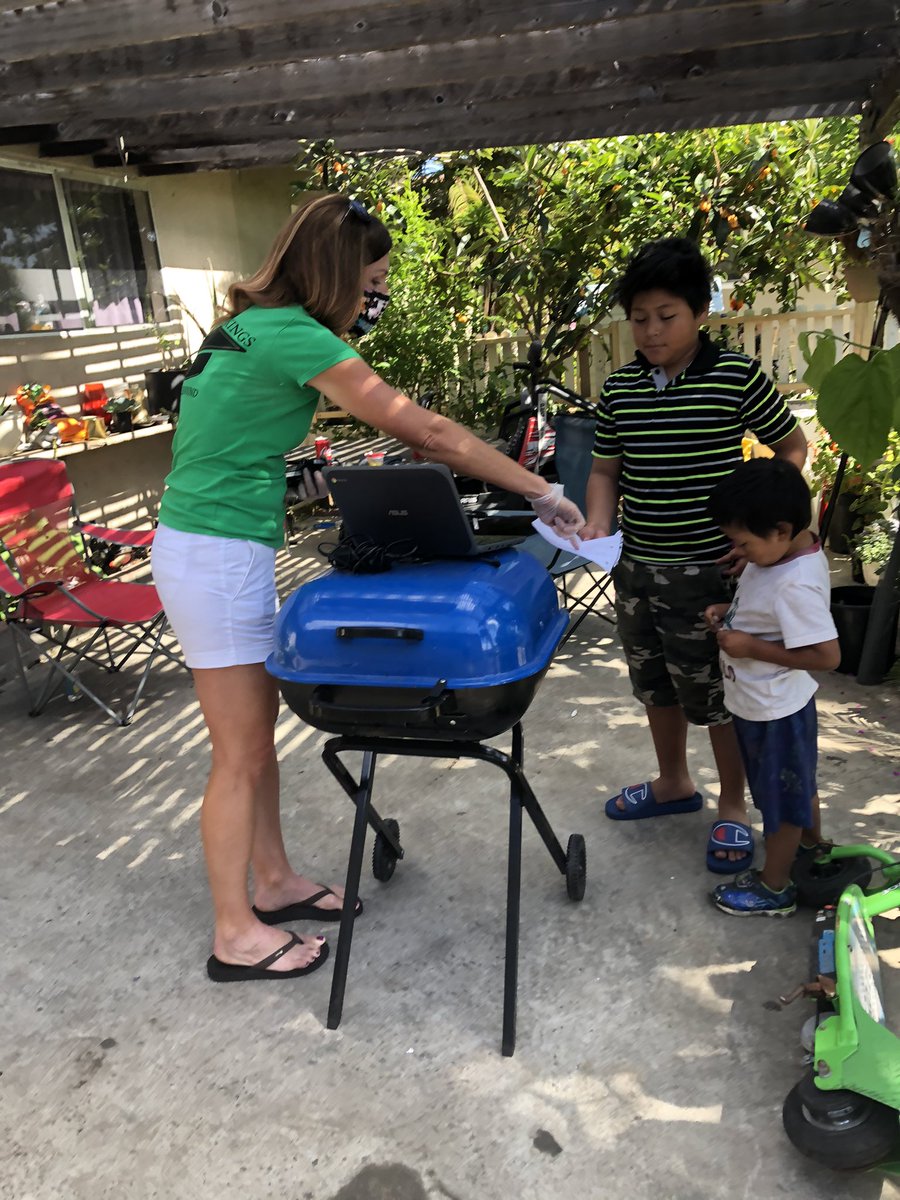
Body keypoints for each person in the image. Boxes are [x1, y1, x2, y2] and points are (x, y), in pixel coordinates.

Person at [151, 193, 584, 983]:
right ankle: (233, 932)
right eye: (371, 281)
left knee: (256, 752)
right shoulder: (292, 332)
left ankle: (274, 882)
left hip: (215, 543)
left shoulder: (247, 324)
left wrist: (285, 473)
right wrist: (538, 490)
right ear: (336, 274)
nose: (373, 298)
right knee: (240, 757)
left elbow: (225, 438)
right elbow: (421, 429)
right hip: (214, 556)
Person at [579, 238, 808, 871]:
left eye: (666, 316)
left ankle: (731, 807)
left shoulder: (735, 377)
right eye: (639, 318)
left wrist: (762, 537)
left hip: (712, 573)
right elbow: (604, 471)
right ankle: (673, 782)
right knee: (655, 686)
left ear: (700, 311)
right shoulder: (620, 389)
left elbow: (792, 449)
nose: (651, 331)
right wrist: (597, 523)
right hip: (637, 568)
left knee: (718, 693)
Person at [704, 459, 840, 915]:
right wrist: (732, 612)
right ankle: (812, 847)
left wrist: (749, 647)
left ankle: (775, 887)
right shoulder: (786, 553)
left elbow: (827, 656)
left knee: (779, 802)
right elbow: (772, 615)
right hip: (765, 704)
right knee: (797, 786)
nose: (735, 549)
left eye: (742, 541)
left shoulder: (794, 584)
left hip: (775, 712)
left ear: (781, 530)